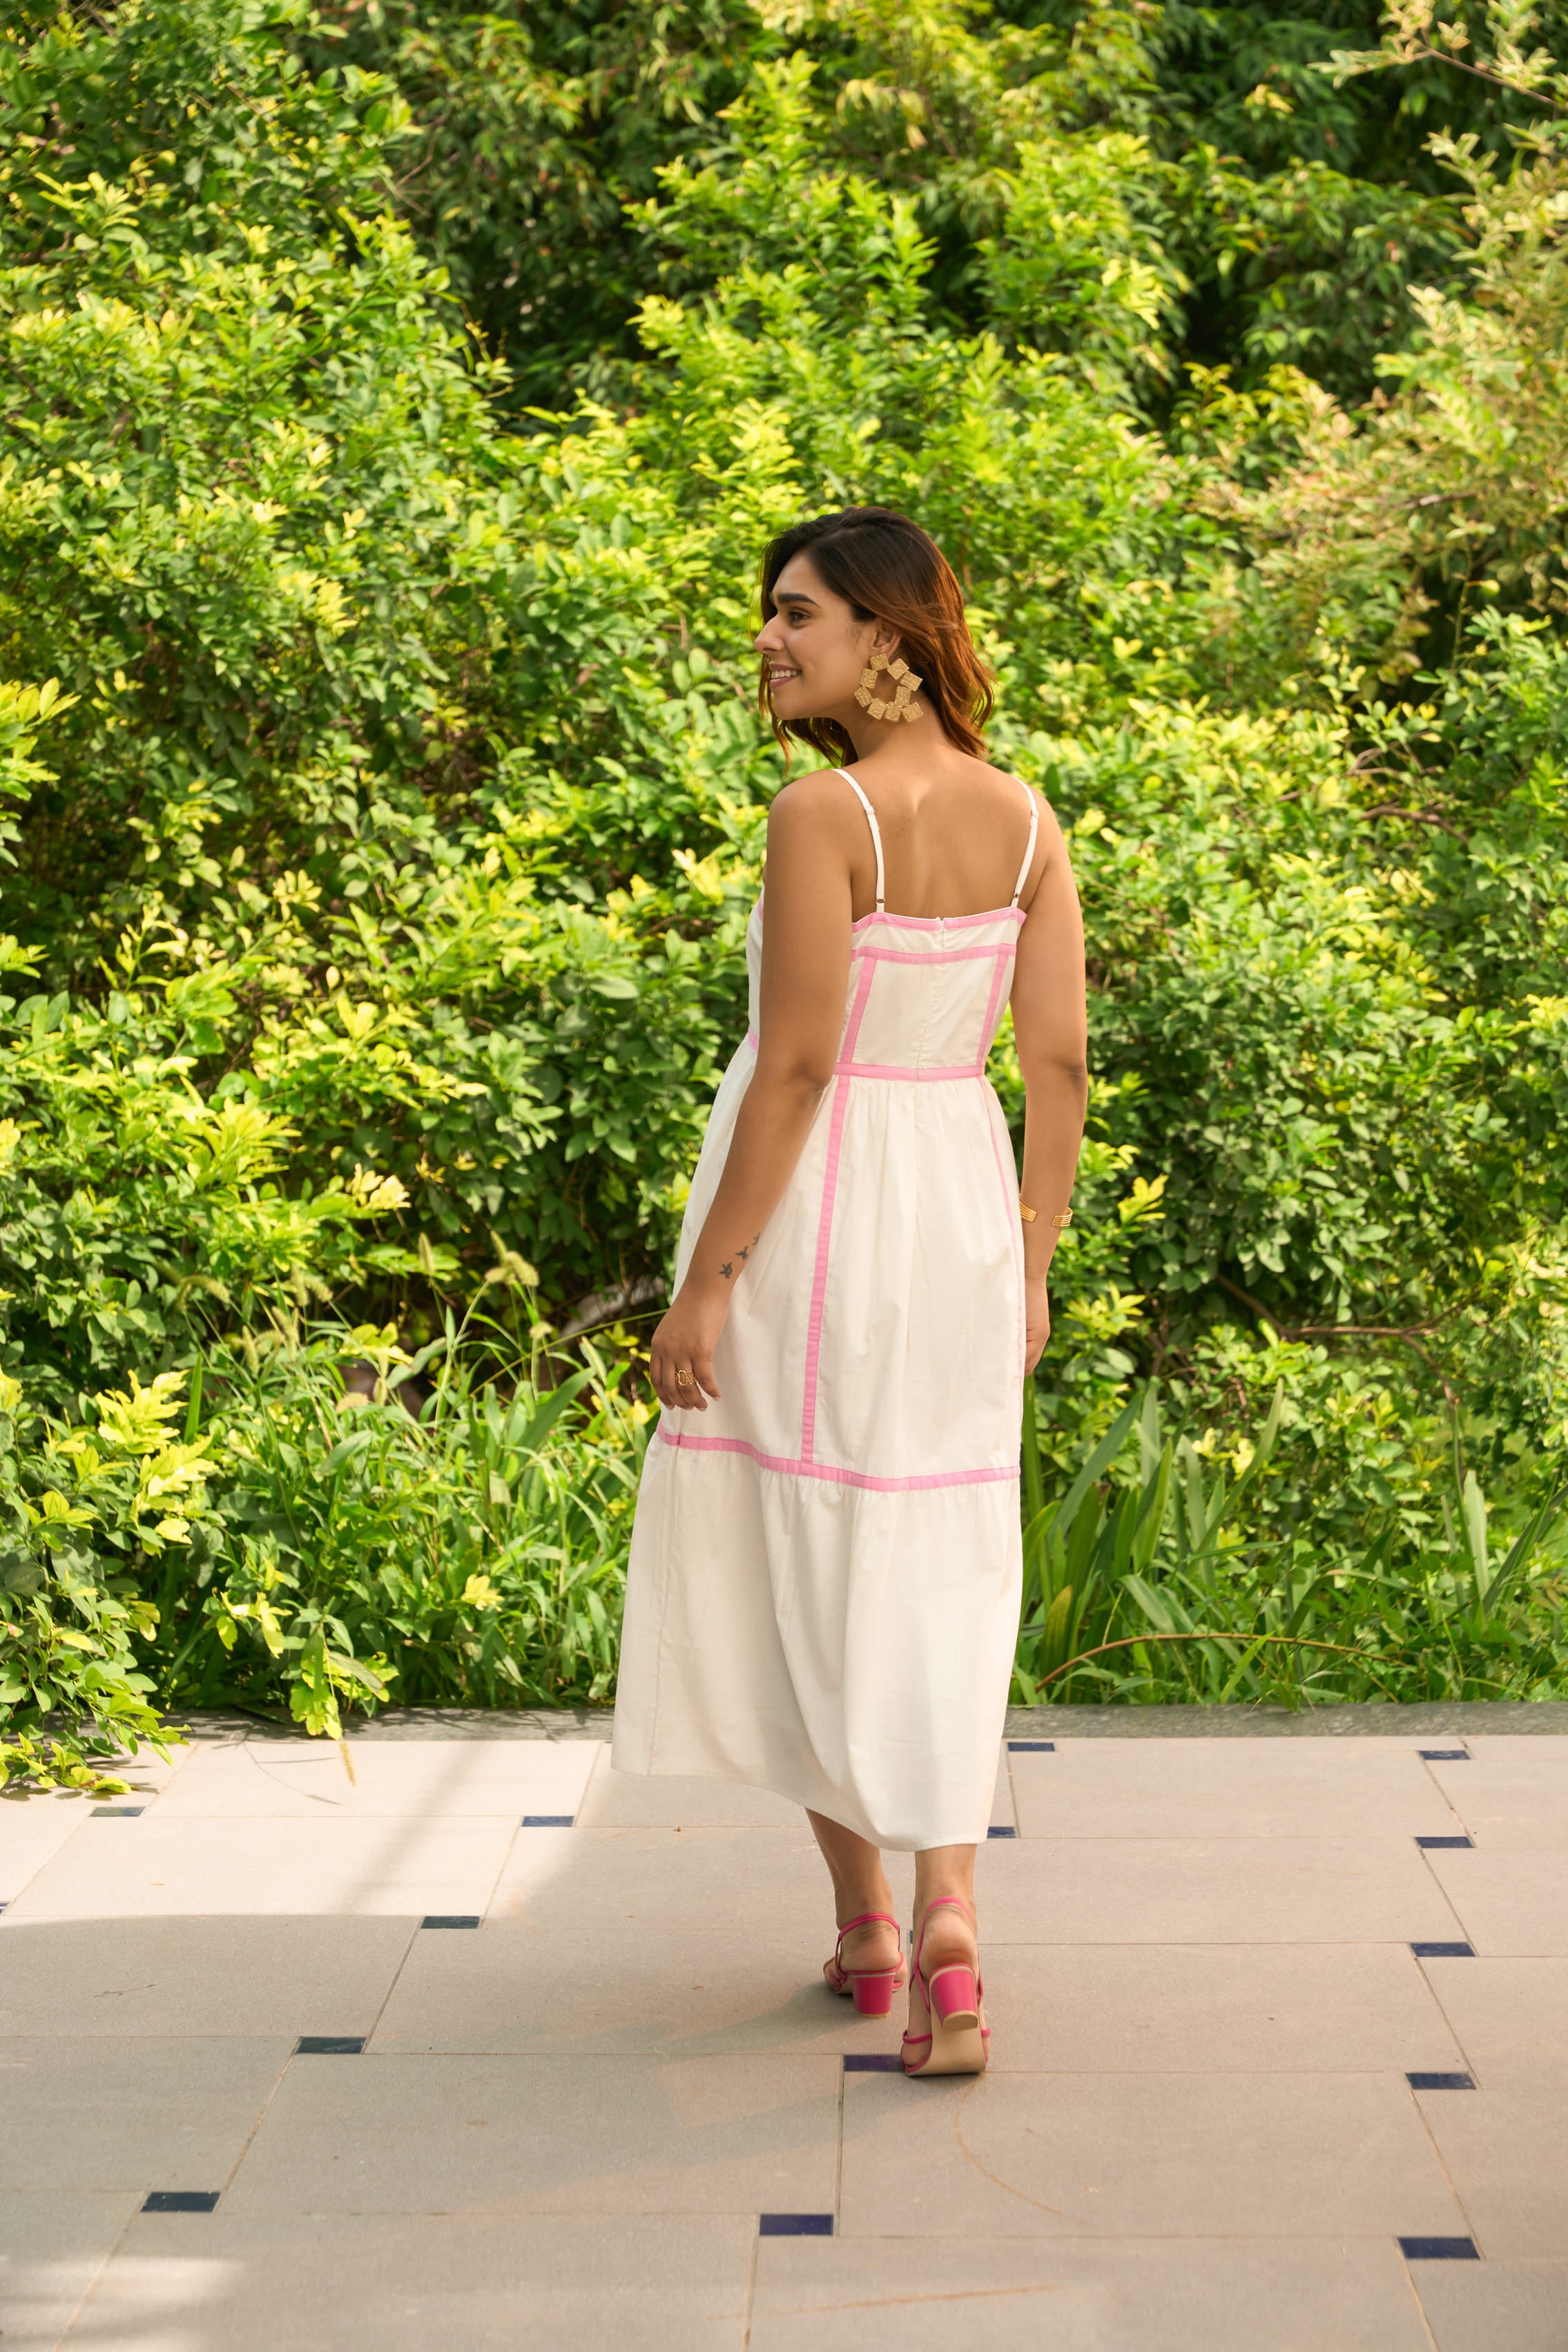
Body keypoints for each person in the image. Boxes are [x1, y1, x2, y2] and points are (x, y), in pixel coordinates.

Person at [612, 505, 1088, 2074]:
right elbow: (1057, 1062)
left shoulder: (821, 810)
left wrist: (704, 1282)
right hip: (955, 1206)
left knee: (801, 1544)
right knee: (936, 1541)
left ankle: (873, 1921)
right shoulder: (1027, 820)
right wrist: (1026, 1260)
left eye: (796, 613)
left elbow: (801, 1064)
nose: (767, 637)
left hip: (818, 1220)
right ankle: (945, 1922)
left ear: (884, 634)